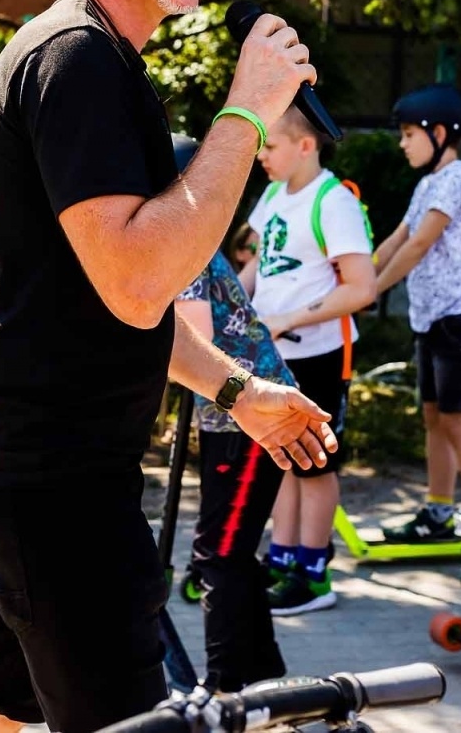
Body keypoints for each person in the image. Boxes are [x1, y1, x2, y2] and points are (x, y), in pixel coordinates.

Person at [0, 0, 338, 733]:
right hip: (55, 480)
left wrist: (237, 390)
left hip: (39, 463)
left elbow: (106, 302)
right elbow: (139, 280)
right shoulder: (75, 59)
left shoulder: (99, 60)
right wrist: (247, 110)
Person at [240, 107, 378, 616]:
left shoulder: (333, 201)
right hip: (277, 353)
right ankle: (282, 560)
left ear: (305, 146)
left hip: (321, 353)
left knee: (316, 465)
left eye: (270, 145)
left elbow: (361, 288)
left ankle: (314, 574)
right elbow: (261, 263)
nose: (261, 155)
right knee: (282, 456)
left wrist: (288, 318)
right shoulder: (275, 194)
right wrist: (233, 304)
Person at [171, 133, 293, 692]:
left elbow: (194, 335)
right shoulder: (188, 240)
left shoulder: (183, 245)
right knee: (230, 550)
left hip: (250, 416)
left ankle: (223, 687)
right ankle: (262, 673)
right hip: (235, 414)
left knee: (218, 554)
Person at [370, 85, 461, 587]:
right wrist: (357, 274)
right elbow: (398, 237)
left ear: (439, 133)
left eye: (408, 134)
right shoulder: (428, 183)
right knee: (433, 417)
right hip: (431, 317)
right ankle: (439, 510)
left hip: (459, 316)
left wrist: (373, 290)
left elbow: (421, 244)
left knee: (457, 420)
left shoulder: (456, 179)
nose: (403, 144)